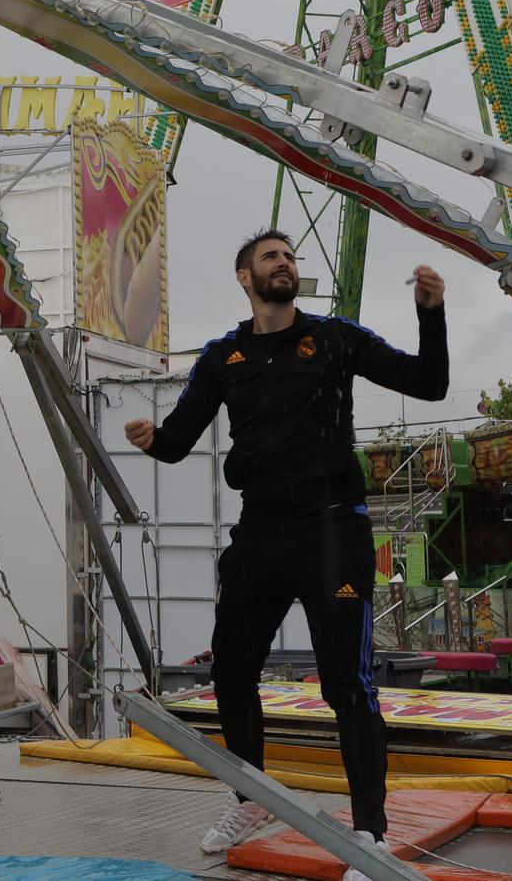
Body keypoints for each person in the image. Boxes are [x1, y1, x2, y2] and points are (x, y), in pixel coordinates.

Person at [126, 230, 445, 877]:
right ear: (245, 276)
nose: (285, 263)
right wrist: (150, 438)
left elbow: (429, 382)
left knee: (346, 682)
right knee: (231, 671)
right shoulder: (225, 356)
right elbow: (179, 441)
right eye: (271, 256)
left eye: (290, 255)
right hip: (262, 530)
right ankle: (250, 798)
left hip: (332, 528)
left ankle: (368, 837)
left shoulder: (334, 338)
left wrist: (430, 314)